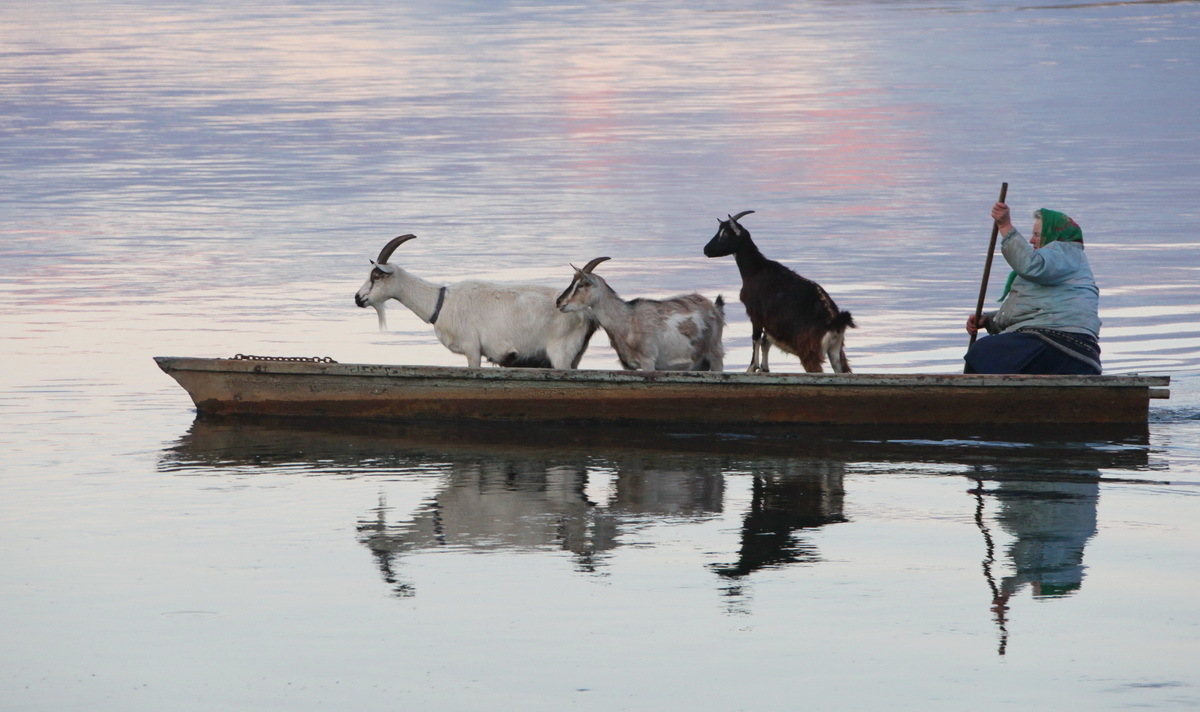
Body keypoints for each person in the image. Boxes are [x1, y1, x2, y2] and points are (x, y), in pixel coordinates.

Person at [964, 202, 1101, 374]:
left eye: (1037, 234)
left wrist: (1005, 226)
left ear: (1053, 235)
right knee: (985, 351)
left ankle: (972, 397)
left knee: (985, 351)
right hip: (1051, 343)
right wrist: (989, 320)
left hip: (1061, 344)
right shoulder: (1056, 264)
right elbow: (1030, 311)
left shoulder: (1066, 252)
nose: (1031, 240)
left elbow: (1030, 265)